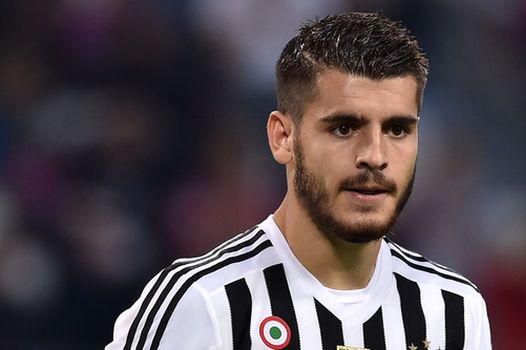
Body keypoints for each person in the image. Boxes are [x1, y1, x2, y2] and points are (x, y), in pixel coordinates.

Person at [107, 12, 491, 350]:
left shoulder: (454, 309)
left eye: (397, 129)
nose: (374, 155)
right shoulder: (203, 301)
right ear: (282, 138)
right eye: (344, 128)